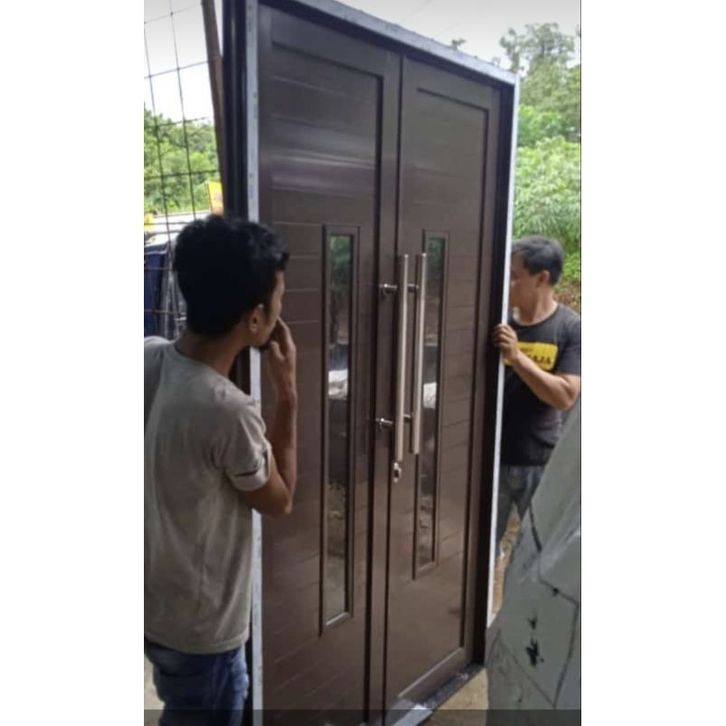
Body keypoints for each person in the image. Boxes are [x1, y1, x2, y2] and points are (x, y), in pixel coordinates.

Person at [144, 215, 298, 725]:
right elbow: (280, 500)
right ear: (255, 319)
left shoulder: (146, 356)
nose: (281, 310)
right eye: (278, 299)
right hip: (203, 632)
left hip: (153, 604)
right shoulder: (227, 410)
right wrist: (288, 396)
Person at [492, 236, 581, 552]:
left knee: (536, 550)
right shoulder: (497, 321)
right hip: (491, 459)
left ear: (541, 278)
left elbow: (565, 396)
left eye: (514, 276)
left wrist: (517, 357)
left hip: (539, 462)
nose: (507, 283)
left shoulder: (570, 328)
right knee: (482, 549)